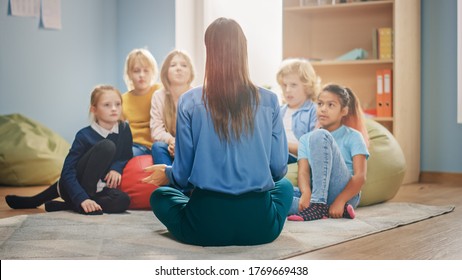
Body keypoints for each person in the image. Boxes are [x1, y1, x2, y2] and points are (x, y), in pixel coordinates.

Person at [142, 17, 293, 246]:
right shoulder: (270, 100)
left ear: (209, 51)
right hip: (261, 227)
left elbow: (182, 176)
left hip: (204, 227)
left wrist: (168, 172)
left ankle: (195, 208)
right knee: (286, 187)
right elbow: (279, 169)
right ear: (243, 50)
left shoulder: (188, 101)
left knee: (160, 197)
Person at [5, 85, 133, 215]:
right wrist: (82, 198)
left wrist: (116, 168)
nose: (114, 109)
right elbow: (67, 171)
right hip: (74, 186)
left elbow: (125, 155)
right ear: (94, 109)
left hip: (99, 188)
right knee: (107, 146)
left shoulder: (124, 129)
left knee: (123, 200)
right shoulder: (84, 135)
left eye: (118, 104)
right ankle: (81, 202)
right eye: (107, 105)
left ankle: (69, 205)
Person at [288, 83, 369, 221]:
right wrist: (306, 193)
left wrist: (340, 201)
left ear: (344, 111)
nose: (323, 109)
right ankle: (322, 208)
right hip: (315, 193)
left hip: (343, 194)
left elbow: (360, 176)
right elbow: (303, 172)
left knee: (319, 135)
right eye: (320, 104)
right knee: (276, 195)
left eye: (331, 105)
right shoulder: (305, 139)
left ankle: (319, 206)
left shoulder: (354, 136)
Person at [150, 50, 195, 165]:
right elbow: (156, 130)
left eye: (184, 65)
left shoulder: (197, 96)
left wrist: (182, 145)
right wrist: (172, 141)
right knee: (157, 147)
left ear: (190, 72)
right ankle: (170, 181)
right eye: (173, 65)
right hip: (169, 145)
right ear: (166, 72)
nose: (178, 68)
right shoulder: (158, 96)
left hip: (191, 146)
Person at [276, 58, 320, 164]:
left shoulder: (314, 111)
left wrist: (281, 144)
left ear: (307, 86)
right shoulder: (279, 111)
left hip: (292, 157)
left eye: (293, 85)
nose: (287, 90)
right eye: (284, 85)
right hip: (275, 153)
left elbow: (312, 148)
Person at [122, 48, 161, 156]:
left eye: (146, 70)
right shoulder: (123, 100)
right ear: (129, 74)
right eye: (136, 71)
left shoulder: (160, 91)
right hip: (133, 145)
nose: (141, 75)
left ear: (152, 72)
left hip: (157, 145)